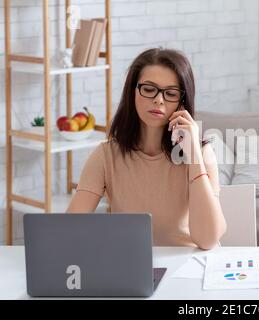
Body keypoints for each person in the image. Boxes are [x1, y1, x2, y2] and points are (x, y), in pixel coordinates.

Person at [67, 48, 226, 249]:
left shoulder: (201, 154)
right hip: (131, 269)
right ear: (132, 92)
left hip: (191, 268)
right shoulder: (106, 155)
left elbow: (208, 240)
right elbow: (69, 229)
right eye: (149, 89)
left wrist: (193, 155)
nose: (159, 99)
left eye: (170, 93)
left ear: (181, 102)